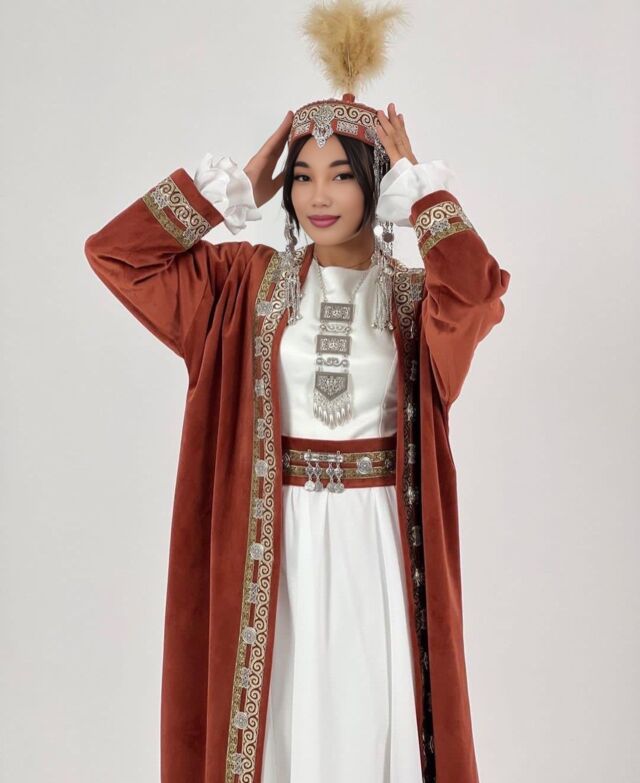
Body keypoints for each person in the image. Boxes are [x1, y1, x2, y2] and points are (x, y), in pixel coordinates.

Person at [84, 5, 510, 783]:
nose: (319, 195)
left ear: (375, 182)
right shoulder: (241, 287)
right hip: (273, 539)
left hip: (375, 540)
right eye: (304, 175)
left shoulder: (416, 301)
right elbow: (118, 256)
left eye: (342, 174)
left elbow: (478, 295)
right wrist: (221, 196)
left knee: (370, 716)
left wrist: (425, 197)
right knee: (281, 721)